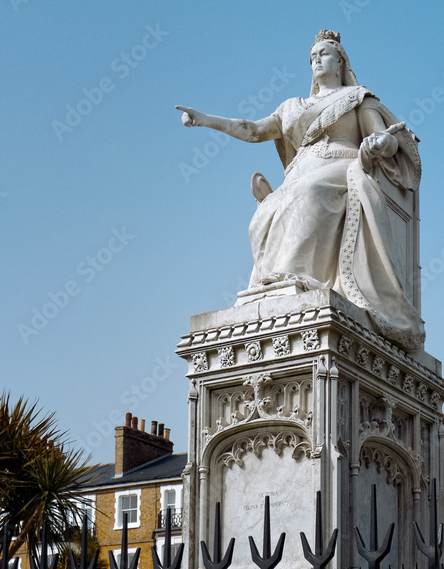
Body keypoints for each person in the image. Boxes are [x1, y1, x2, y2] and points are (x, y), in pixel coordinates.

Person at [177, 30, 424, 352]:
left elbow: (385, 138)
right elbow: (252, 130)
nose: (317, 60)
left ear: (340, 61)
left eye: (323, 54)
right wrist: (206, 120)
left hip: (342, 162)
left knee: (310, 193)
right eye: (312, 57)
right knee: (268, 210)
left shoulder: (358, 99)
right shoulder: (293, 107)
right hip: (301, 169)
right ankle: (276, 282)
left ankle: (301, 278)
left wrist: (383, 142)